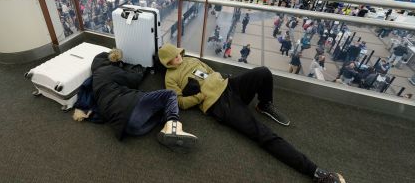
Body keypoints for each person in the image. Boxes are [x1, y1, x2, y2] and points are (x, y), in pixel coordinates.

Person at [158, 43, 345, 183]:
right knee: (263, 134)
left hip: (229, 86)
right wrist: (199, 96)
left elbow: (211, 71)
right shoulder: (171, 78)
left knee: (262, 72)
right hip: (220, 105)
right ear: (167, 62)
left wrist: (221, 80)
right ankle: (315, 172)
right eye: (174, 57)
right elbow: (179, 102)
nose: (179, 57)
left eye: (178, 53)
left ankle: (264, 105)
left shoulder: (191, 59)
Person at [78, 49, 198, 152]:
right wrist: (140, 69)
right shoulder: (107, 70)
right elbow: (133, 80)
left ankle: (166, 130)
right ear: (108, 60)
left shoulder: (95, 81)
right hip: (130, 109)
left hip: (129, 129)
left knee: (162, 109)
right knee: (170, 95)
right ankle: (174, 128)